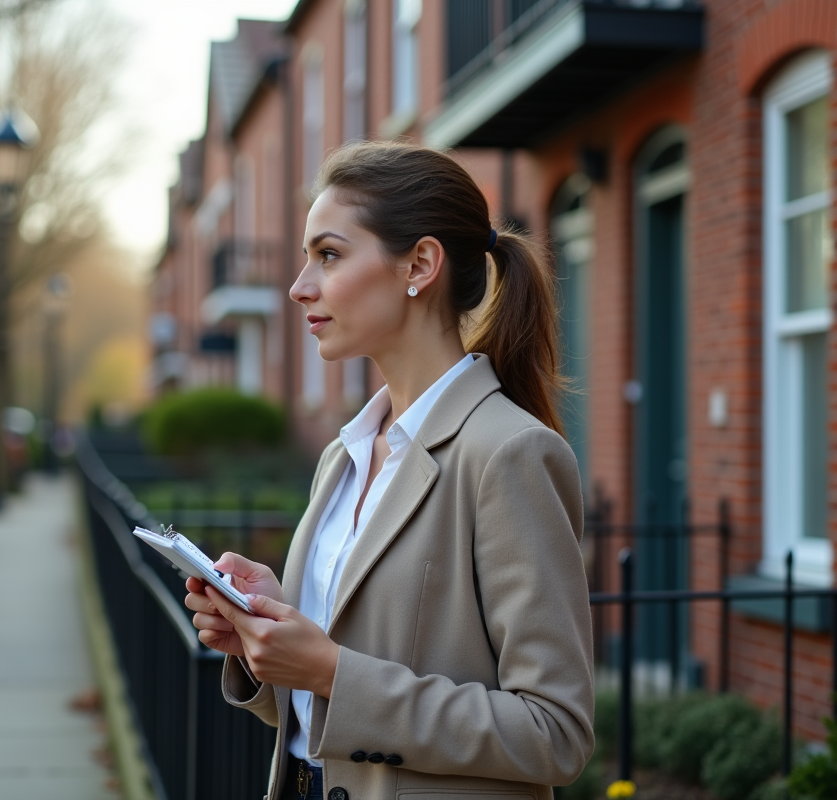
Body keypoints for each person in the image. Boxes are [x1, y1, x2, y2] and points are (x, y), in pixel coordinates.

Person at [184, 141, 594, 800]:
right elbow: (332, 712)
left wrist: (331, 673)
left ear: (420, 265)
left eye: (329, 254)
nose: (300, 287)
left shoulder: (509, 452)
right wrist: (265, 635)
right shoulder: (343, 455)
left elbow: (554, 732)